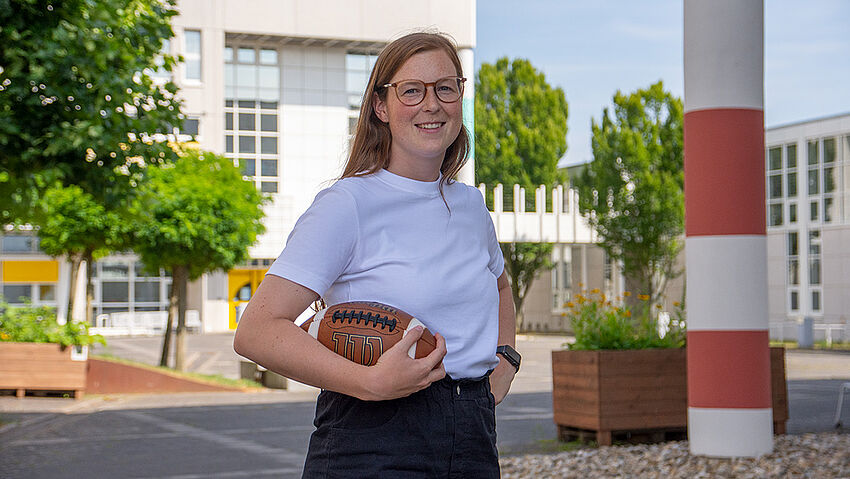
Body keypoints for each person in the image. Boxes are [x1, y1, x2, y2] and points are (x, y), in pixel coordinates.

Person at [233, 31, 519, 478]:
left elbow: (501, 285)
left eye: (446, 87)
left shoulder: (470, 205)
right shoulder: (346, 205)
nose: (432, 104)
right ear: (380, 107)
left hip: (473, 434)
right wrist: (368, 383)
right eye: (411, 90)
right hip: (373, 436)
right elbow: (255, 332)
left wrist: (505, 360)